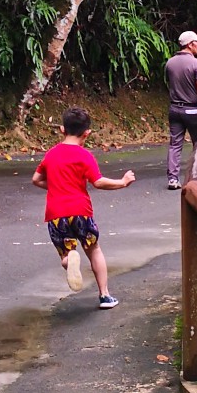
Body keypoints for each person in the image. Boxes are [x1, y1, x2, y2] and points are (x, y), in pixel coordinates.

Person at [32, 106, 135, 306]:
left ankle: (69, 259)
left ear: (62, 129)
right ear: (87, 133)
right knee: (94, 249)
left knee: (66, 253)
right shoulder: (84, 156)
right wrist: (122, 182)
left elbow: (36, 179)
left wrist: (54, 185)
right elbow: (98, 181)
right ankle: (104, 295)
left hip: (56, 214)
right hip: (80, 211)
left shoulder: (51, 155)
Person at [165, 29, 197, 189]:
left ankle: (172, 178)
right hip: (192, 109)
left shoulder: (170, 63)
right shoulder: (196, 63)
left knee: (175, 144)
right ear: (190, 44)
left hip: (174, 109)